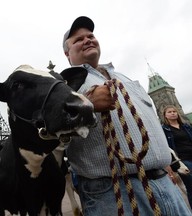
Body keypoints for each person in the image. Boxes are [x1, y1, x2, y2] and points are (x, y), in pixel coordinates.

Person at [62, 16, 192, 215]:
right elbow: (52, 132)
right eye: (78, 40)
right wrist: (86, 104)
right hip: (114, 191)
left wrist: (165, 162)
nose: (87, 40)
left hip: (165, 184)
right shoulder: (63, 86)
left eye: (90, 36)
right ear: (66, 53)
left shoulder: (124, 78)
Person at [162, 105, 192, 209]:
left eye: (174, 111)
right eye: (169, 112)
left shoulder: (186, 126)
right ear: (165, 115)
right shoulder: (164, 130)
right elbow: (165, 148)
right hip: (182, 161)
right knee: (191, 185)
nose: (173, 113)